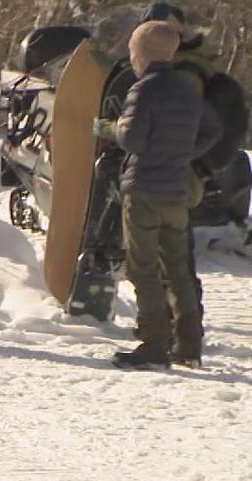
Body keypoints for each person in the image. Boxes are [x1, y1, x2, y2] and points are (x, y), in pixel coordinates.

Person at [97, 21, 220, 368]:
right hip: (177, 190)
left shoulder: (143, 89)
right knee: (178, 268)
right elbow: (213, 130)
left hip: (145, 189)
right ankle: (189, 345)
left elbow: (133, 139)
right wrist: (181, 152)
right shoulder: (186, 90)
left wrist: (115, 126)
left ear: (141, 55)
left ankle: (153, 344)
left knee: (143, 267)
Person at [138, 2, 226, 353]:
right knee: (173, 260)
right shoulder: (185, 66)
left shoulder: (181, 71)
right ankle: (184, 338)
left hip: (168, 177)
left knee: (164, 261)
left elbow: (184, 126)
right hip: (180, 175)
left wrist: (179, 156)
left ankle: (169, 337)